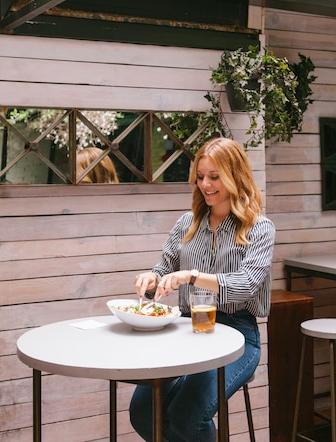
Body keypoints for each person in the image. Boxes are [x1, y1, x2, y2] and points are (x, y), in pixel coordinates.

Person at [131, 137, 275, 442]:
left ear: (236, 177)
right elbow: (164, 268)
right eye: (200, 177)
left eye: (214, 176)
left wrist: (194, 276)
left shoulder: (259, 229)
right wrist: (151, 280)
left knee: (188, 416)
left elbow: (246, 285)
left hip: (237, 334)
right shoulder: (186, 224)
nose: (205, 185)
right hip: (186, 328)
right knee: (142, 412)